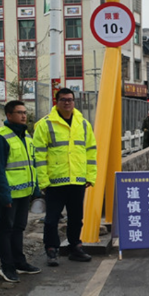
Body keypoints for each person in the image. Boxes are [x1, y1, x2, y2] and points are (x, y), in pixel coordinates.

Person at [33, 88, 97, 266]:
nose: (67, 102)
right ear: (57, 102)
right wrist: (43, 181)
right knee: (52, 218)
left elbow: (91, 152)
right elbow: (39, 155)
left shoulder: (83, 124)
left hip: (77, 180)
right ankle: (52, 250)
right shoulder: (45, 125)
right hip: (55, 182)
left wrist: (90, 177)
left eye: (70, 99)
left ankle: (75, 247)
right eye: (63, 100)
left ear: (74, 102)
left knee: (76, 218)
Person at [0, 100, 41, 283]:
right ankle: (7, 267)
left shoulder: (26, 137)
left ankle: (20, 263)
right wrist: (4, 194)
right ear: (9, 116)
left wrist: (35, 188)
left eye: (25, 112)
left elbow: (31, 166)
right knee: (5, 229)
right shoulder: (1, 137)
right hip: (9, 194)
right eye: (19, 112)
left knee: (19, 228)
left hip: (24, 192)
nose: (23, 115)